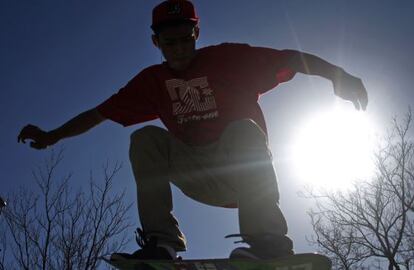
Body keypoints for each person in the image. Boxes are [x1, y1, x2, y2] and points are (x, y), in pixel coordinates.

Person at [17, 0, 368, 261]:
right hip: (196, 174)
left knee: (243, 129)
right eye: (170, 43)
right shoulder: (151, 82)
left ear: (196, 33)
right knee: (144, 138)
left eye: (186, 39)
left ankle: (267, 239)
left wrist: (338, 75)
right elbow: (99, 113)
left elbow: (289, 57)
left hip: (242, 172)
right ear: (156, 43)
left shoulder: (229, 59)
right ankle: (162, 243)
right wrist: (53, 136)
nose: (180, 49)